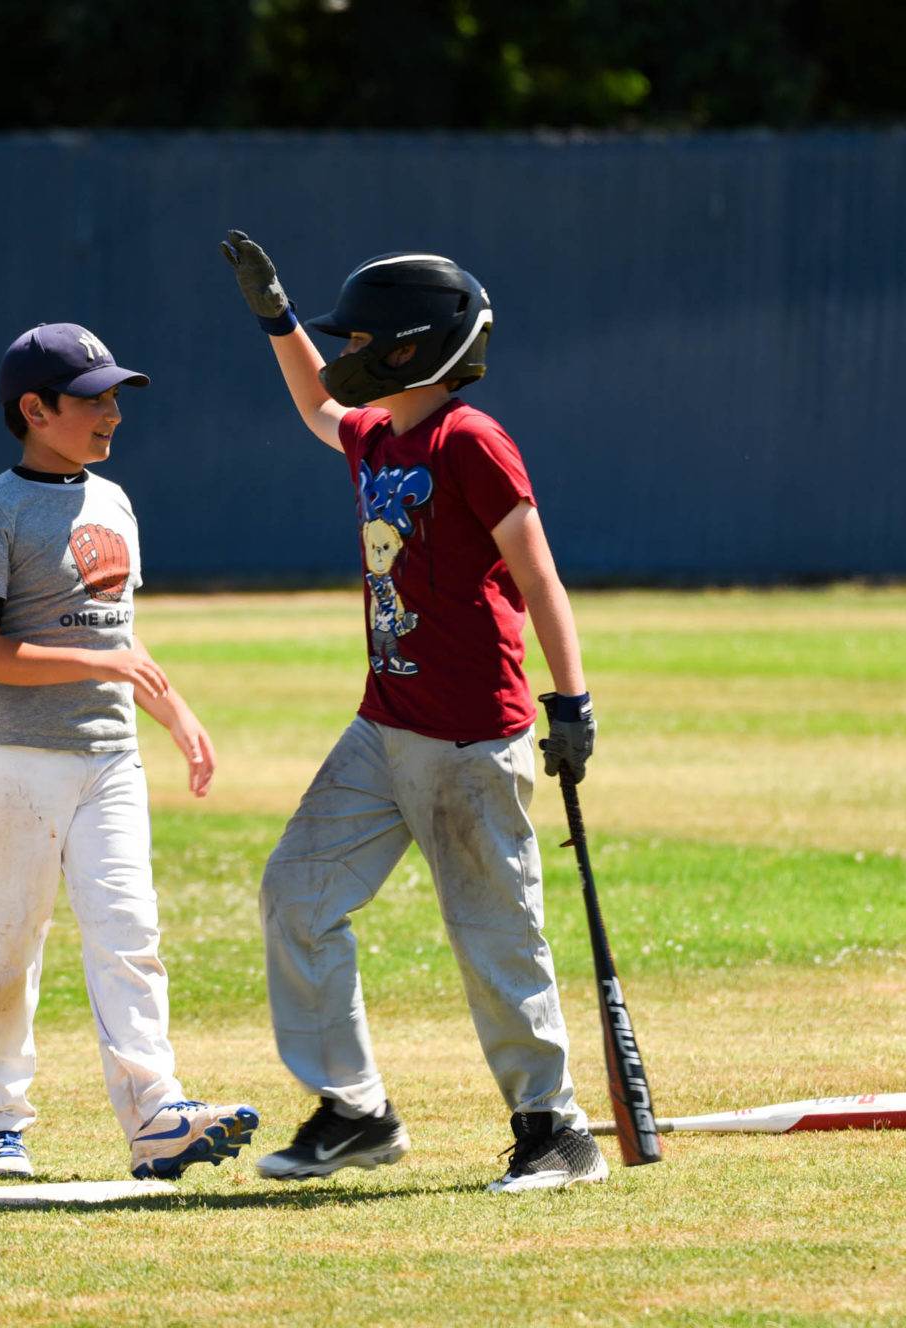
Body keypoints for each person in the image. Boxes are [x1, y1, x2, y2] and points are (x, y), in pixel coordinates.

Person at [218, 233, 607, 1193]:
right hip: (383, 726)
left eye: (362, 338)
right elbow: (319, 401)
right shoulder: (378, 435)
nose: (346, 351)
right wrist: (277, 317)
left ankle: (555, 1131)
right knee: (297, 897)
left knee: (495, 934)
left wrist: (573, 700)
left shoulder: (468, 439)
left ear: (409, 349)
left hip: (474, 737)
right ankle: (356, 1112)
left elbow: (539, 573)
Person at [0, 322, 258, 1181]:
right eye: (93, 399)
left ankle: (158, 1116)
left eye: (115, 395)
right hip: (16, 758)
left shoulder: (113, 501)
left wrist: (175, 710)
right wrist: (100, 662)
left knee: (129, 934)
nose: (112, 412)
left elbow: (120, 631)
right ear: (35, 410)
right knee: (6, 944)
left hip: (110, 756)